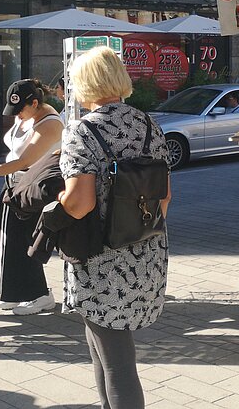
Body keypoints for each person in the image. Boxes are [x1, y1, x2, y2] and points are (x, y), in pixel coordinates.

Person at [58, 46, 171, 409]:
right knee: (102, 351)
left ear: (84, 84)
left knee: (118, 364)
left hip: (102, 258)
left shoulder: (81, 131)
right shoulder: (148, 124)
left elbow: (80, 202)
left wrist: (53, 207)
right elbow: (164, 197)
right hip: (145, 249)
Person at [0, 78, 62, 315]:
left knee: (28, 241)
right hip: (15, 185)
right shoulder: (26, 116)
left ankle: (39, 294)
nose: (16, 115)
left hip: (34, 187)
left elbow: (24, 161)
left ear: (35, 103)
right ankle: (14, 291)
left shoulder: (49, 124)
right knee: (10, 240)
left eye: (20, 110)